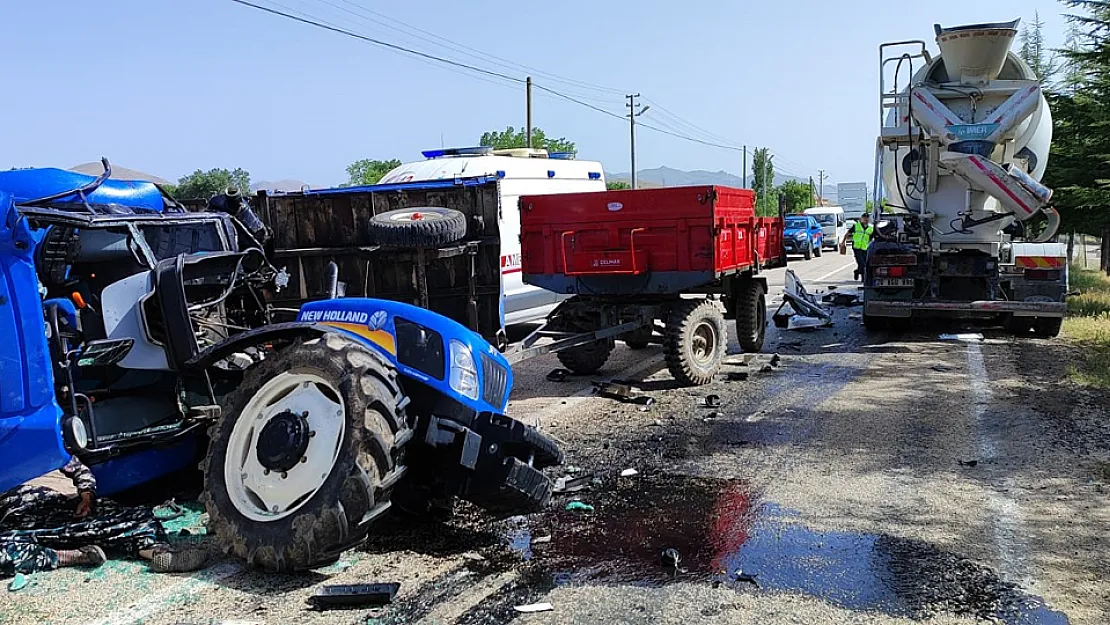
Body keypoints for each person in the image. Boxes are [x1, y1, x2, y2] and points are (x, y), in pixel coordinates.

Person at [0, 457, 206, 578]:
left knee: (136, 516)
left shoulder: (36, 443)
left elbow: (79, 470)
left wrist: (86, 497)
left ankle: (156, 551)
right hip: (18, 521)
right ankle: (68, 556)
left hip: (60, 504)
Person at [840, 213, 874, 281]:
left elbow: (872, 238)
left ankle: (857, 272)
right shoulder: (856, 226)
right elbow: (847, 233)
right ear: (861, 219)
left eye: (867, 218)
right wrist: (843, 242)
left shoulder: (871, 228)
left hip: (865, 248)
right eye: (864, 218)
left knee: (865, 264)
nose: (865, 220)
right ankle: (863, 279)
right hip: (856, 247)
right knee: (862, 263)